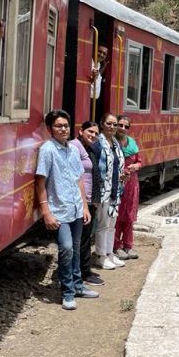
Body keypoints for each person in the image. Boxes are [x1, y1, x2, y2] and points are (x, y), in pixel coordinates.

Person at [35, 110, 99, 310]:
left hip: (77, 209)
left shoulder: (72, 149)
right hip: (59, 209)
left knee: (77, 248)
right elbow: (40, 182)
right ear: (49, 129)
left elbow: (79, 179)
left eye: (65, 125)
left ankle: (78, 285)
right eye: (58, 126)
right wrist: (46, 212)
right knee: (66, 249)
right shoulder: (47, 150)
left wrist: (85, 206)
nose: (63, 129)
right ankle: (68, 291)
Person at [69, 121, 105, 286]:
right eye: (90, 132)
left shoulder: (87, 147)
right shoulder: (74, 147)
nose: (93, 135)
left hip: (89, 199)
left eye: (96, 134)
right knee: (82, 238)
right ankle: (83, 273)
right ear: (81, 131)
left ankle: (83, 270)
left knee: (85, 237)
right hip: (81, 200)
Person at [91, 112, 125, 270]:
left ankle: (110, 253)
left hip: (115, 190)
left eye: (115, 124)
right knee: (103, 224)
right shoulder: (98, 143)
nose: (112, 127)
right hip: (104, 190)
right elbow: (96, 169)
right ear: (102, 124)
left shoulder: (116, 143)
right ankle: (100, 256)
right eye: (109, 124)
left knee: (112, 224)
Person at [113, 116, 143, 260]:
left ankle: (128, 245)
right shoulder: (111, 143)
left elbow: (139, 161)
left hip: (132, 183)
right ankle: (116, 246)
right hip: (117, 183)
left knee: (129, 216)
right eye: (120, 125)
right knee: (117, 216)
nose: (123, 128)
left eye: (126, 126)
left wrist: (135, 166)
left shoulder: (132, 143)